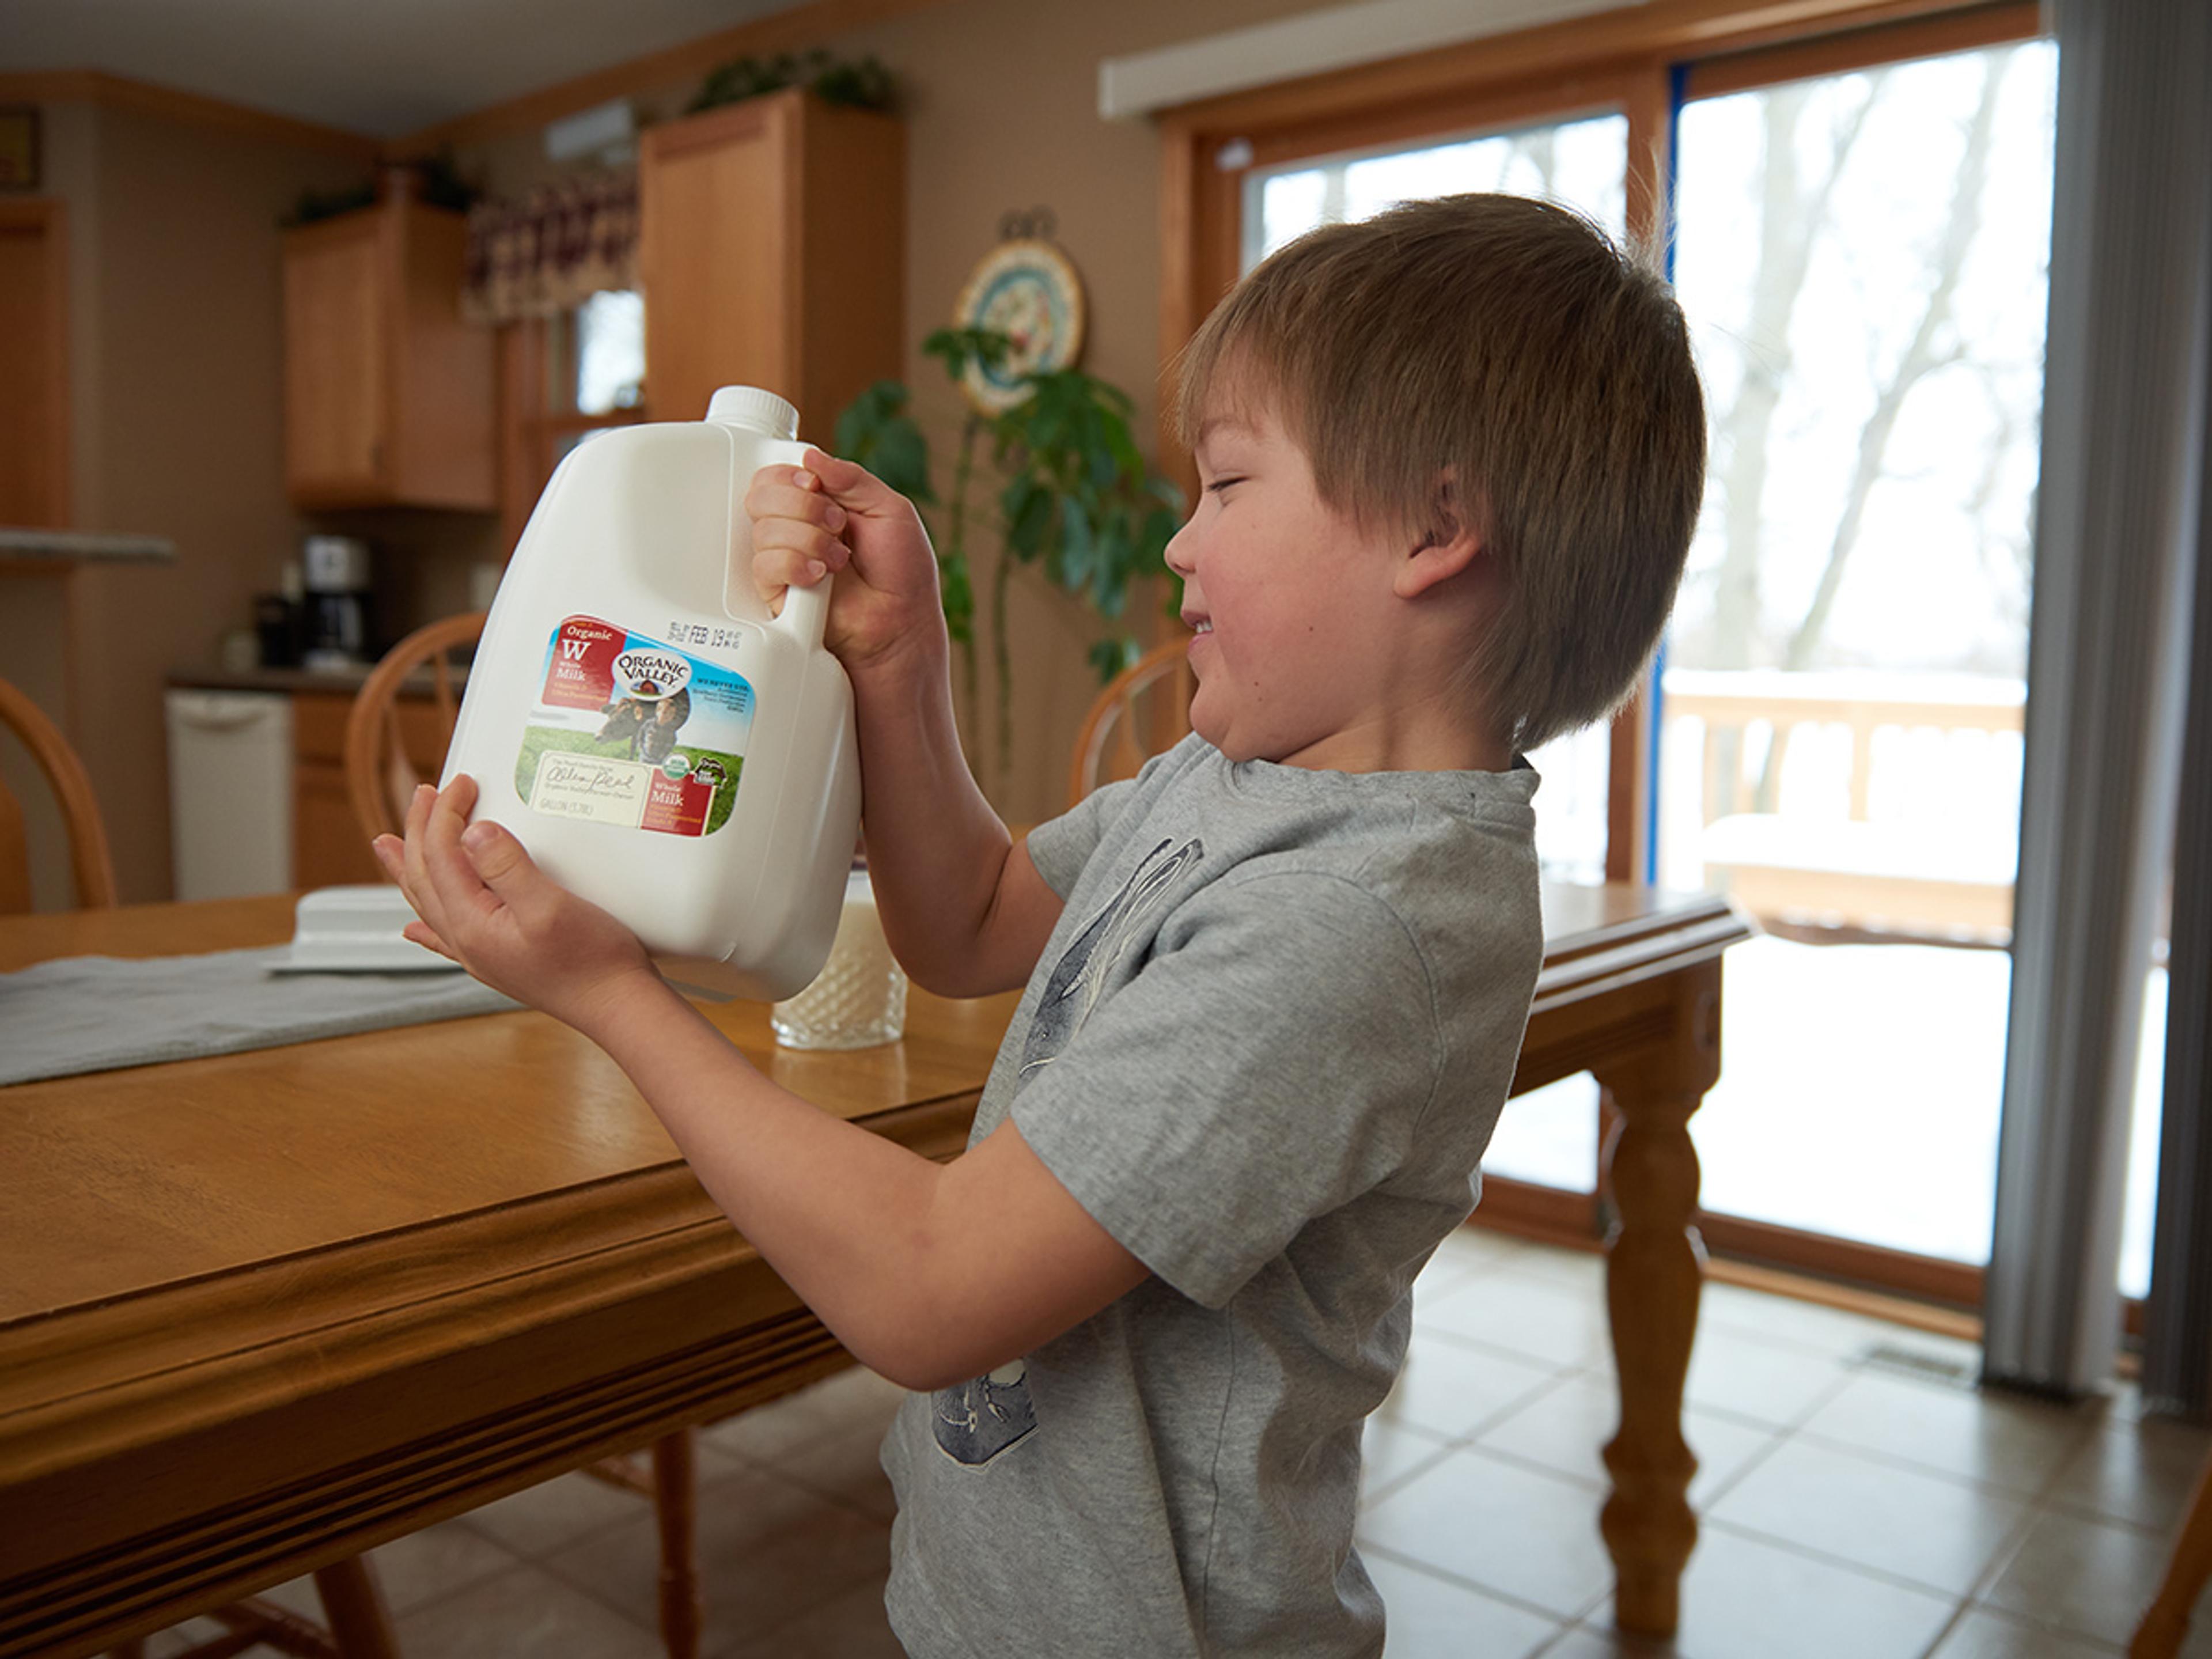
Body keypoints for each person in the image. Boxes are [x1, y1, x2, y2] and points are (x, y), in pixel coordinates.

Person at [375, 192, 1705, 1657]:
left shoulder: (1356, 923)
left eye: (1230, 486)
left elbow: (935, 1290)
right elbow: (975, 921)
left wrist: (611, 996)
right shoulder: (1241, 780)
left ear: (1434, 529)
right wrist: (899, 660)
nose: (1179, 546)